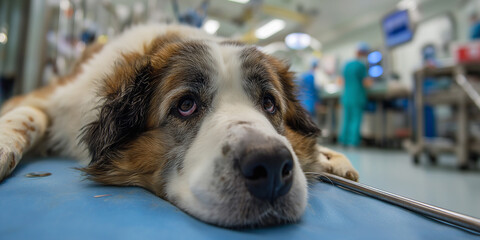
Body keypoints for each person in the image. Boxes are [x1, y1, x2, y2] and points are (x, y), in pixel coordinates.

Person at [339, 43, 373, 147]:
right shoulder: (361, 65)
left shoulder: (347, 65)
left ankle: (343, 140)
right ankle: (353, 142)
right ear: (364, 53)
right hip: (357, 96)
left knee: (346, 119)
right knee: (355, 119)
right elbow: (365, 82)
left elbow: (341, 81)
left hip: (346, 96)